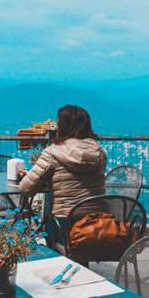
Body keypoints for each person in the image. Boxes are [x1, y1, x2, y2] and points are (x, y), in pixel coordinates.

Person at [19, 105, 107, 251]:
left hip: (65, 223)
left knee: (45, 226)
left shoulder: (52, 153)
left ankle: (60, 262)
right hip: (99, 221)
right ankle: (81, 264)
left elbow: (25, 188)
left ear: (63, 126)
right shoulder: (99, 152)